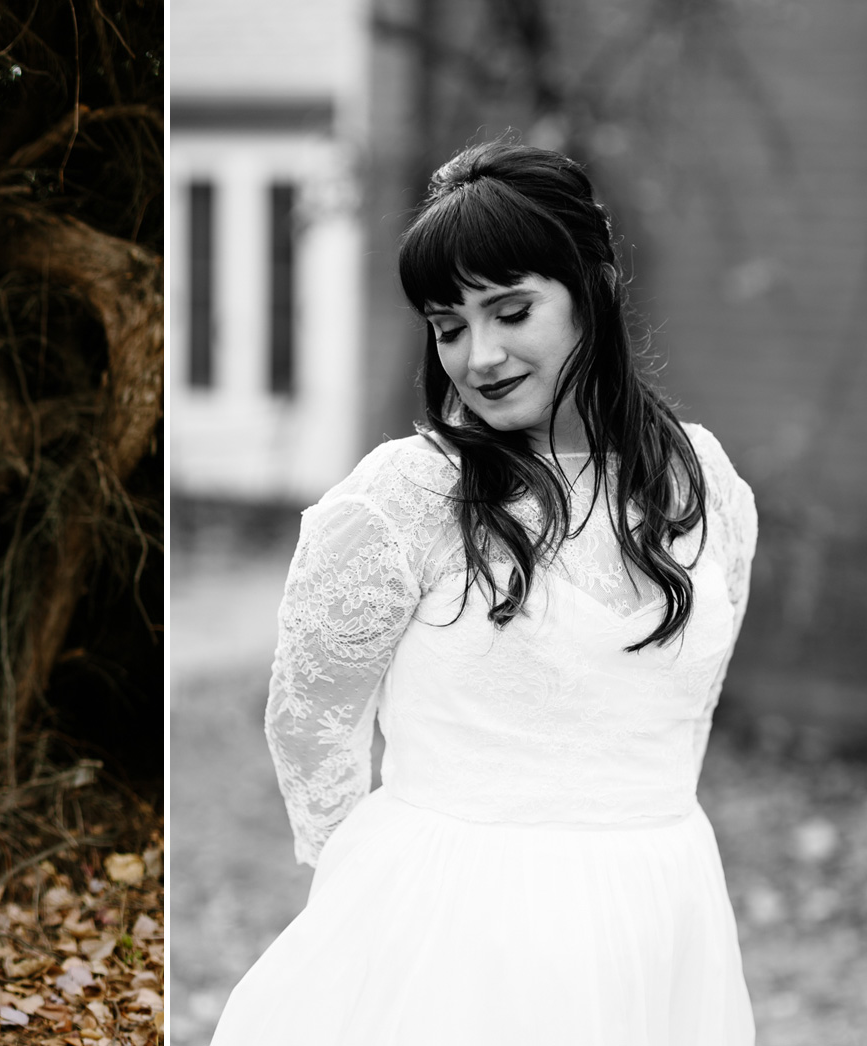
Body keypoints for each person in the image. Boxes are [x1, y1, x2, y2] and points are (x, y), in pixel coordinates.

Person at [209, 140, 757, 1044]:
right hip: (455, 929)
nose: (480, 354)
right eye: (448, 324)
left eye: (511, 311)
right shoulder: (405, 498)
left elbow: (684, 708)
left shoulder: (705, 485)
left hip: (667, 913)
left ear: (594, 291)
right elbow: (310, 720)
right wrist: (373, 885)